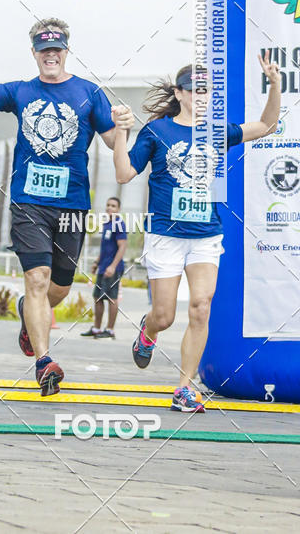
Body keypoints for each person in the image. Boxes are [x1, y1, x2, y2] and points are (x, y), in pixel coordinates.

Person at [0, 15, 133, 396]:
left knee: (58, 290)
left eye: (56, 48)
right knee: (36, 279)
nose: (50, 55)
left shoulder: (89, 92)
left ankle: (27, 313)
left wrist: (125, 125)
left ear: (66, 51)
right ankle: (44, 362)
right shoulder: (20, 91)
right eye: (43, 49)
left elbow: (113, 139)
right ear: (34, 53)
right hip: (28, 201)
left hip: (72, 206)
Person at [113, 54, 281, 412]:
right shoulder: (158, 131)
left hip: (206, 234)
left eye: (206, 90)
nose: (201, 96)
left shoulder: (217, 131)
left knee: (201, 308)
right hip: (166, 235)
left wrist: (274, 83)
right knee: (165, 315)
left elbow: (266, 126)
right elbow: (125, 173)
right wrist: (121, 135)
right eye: (194, 89)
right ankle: (149, 329)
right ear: (179, 93)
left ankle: (184, 388)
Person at [81, 196, 127, 339]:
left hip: (114, 268)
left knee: (112, 298)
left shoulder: (119, 223)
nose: (109, 208)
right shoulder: (107, 224)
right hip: (103, 267)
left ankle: (110, 330)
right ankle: (96, 328)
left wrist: (113, 266)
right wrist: (96, 263)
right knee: (97, 297)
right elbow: (104, 248)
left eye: (113, 206)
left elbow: (122, 246)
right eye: (108, 205)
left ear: (118, 209)